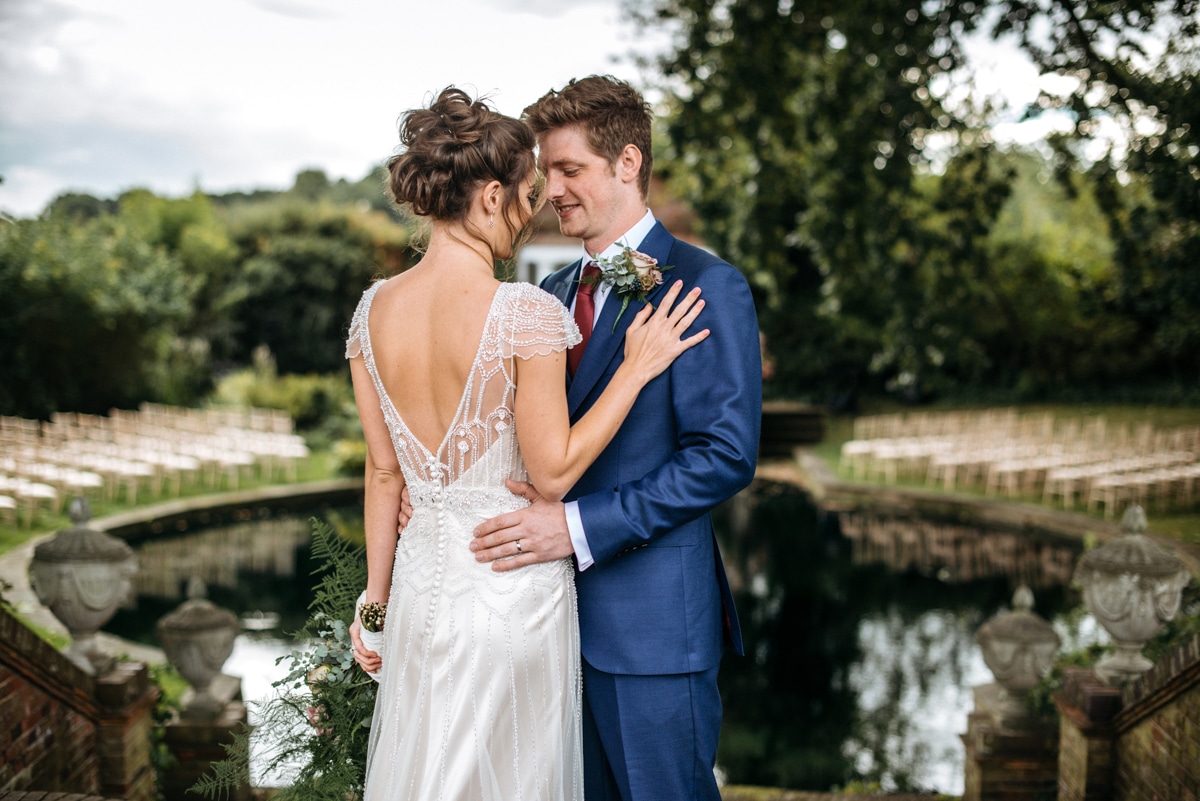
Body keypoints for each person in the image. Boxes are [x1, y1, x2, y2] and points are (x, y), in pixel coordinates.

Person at [344, 86, 708, 801]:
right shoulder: (524, 312)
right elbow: (552, 475)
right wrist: (633, 371)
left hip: (420, 598)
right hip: (511, 595)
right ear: (487, 195)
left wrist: (376, 606)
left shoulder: (372, 310)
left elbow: (386, 475)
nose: (533, 208)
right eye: (524, 193)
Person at [469, 76, 762, 801]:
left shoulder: (706, 283)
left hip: (652, 632)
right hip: (546, 626)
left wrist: (573, 526)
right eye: (548, 172)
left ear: (627, 164)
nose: (552, 190)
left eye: (570, 170)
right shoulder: (552, 295)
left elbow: (722, 455)